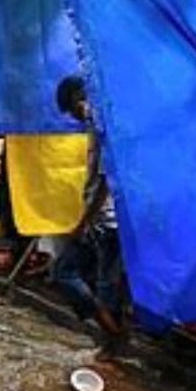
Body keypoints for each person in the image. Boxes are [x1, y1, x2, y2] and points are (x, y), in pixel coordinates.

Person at [50, 76, 127, 356]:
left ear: (77, 100)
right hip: (101, 220)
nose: (74, 116)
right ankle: (111, 335)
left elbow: (107, 182)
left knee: (89, 279)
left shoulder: (103, 127)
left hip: (105, 222)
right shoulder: (98, 127)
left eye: (72, 110)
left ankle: (113, 337)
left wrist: (84, 223)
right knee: (79, 276)